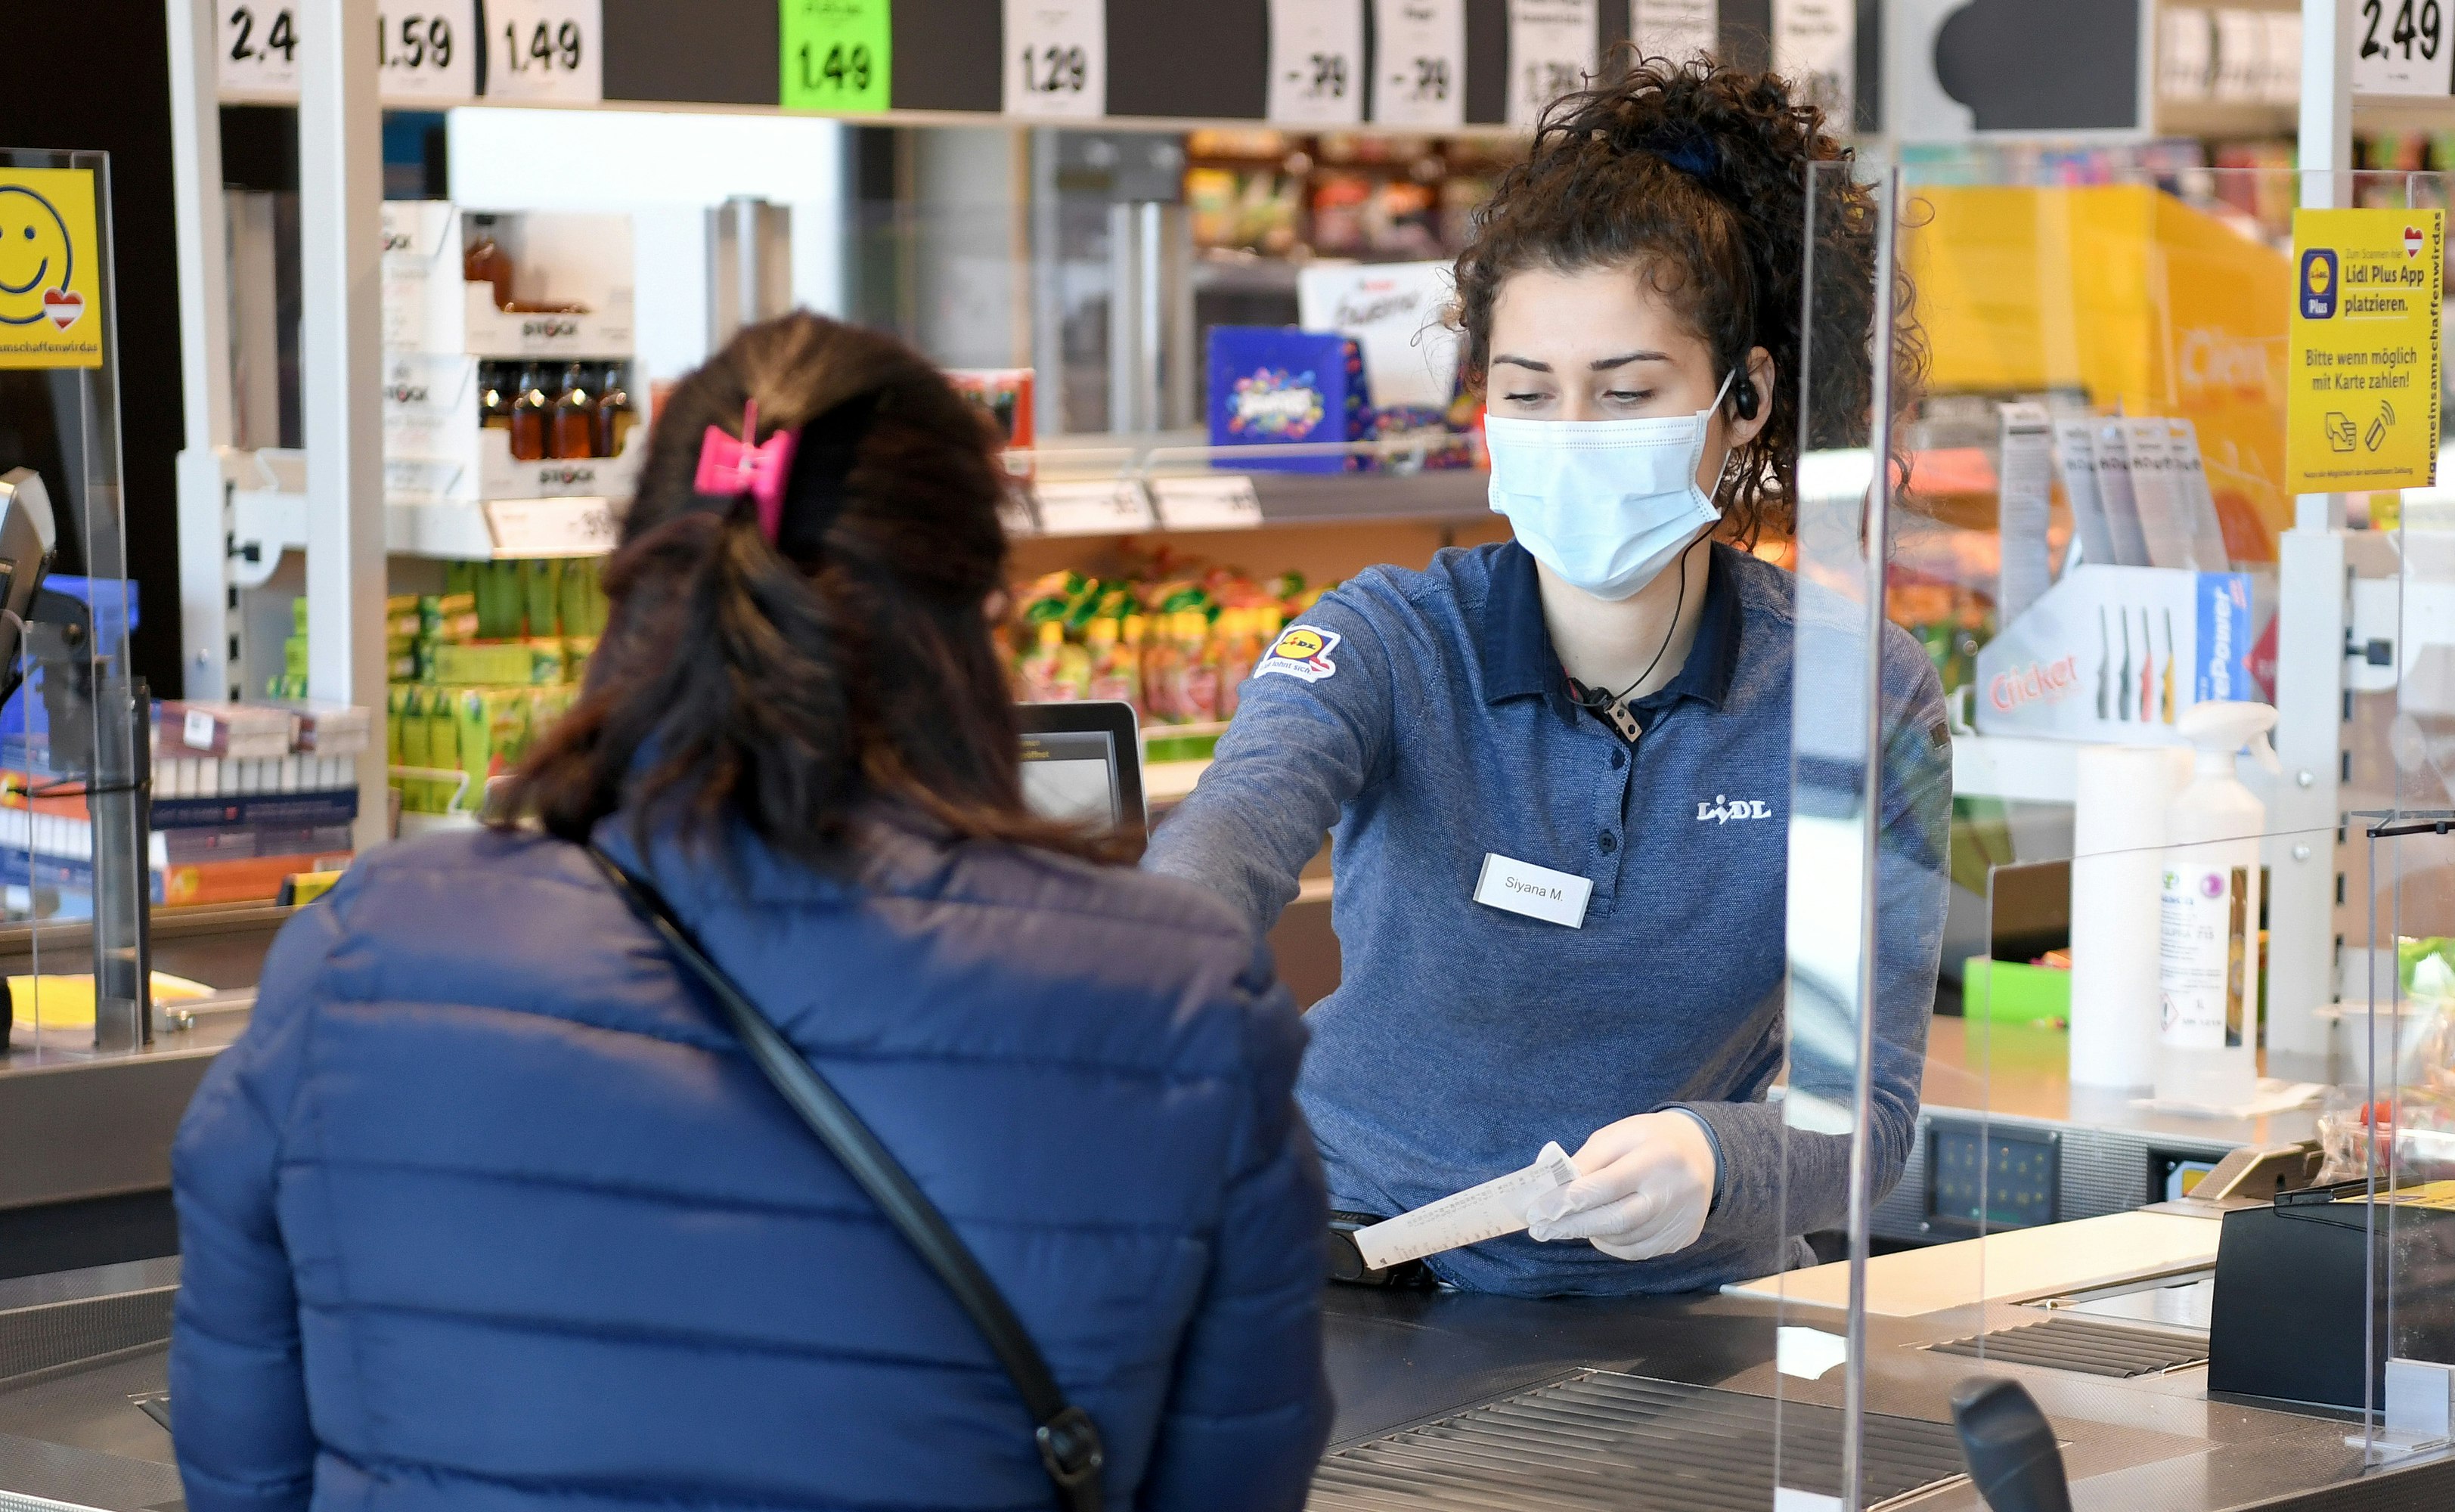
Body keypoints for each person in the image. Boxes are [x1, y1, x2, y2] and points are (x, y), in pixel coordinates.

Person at [169, 314, 1331, 1512]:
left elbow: (245, 1465)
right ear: (982, 621)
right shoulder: (1179, 1005)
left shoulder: (363, 957)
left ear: (635, 593)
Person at [1145, 60, 1950, 1297]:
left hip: (1693, 1316)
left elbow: (1870, 1117)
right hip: (1358, 1275)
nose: (1571, 435)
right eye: (1528, 393)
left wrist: (1716, 1158)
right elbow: (1228, 838)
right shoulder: (1390, 642)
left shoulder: (1859, 691)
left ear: (1744, 399)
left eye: (1626, 394)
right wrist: (1150, 971)